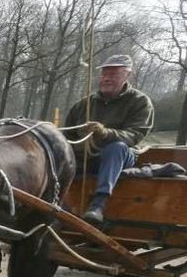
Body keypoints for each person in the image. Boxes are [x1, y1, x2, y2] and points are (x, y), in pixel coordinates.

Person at [63, 54, 154, 223]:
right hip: (85, 157)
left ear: (127, 75)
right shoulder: (84, 104)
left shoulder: (140, 102)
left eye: (113, 74)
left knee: (116, 147)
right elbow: (67, 136)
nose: (106, 78)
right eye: (104, 74)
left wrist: (106, 133)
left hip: (119, 158)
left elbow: (135, 134)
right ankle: (60, 204)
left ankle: (98, 205)